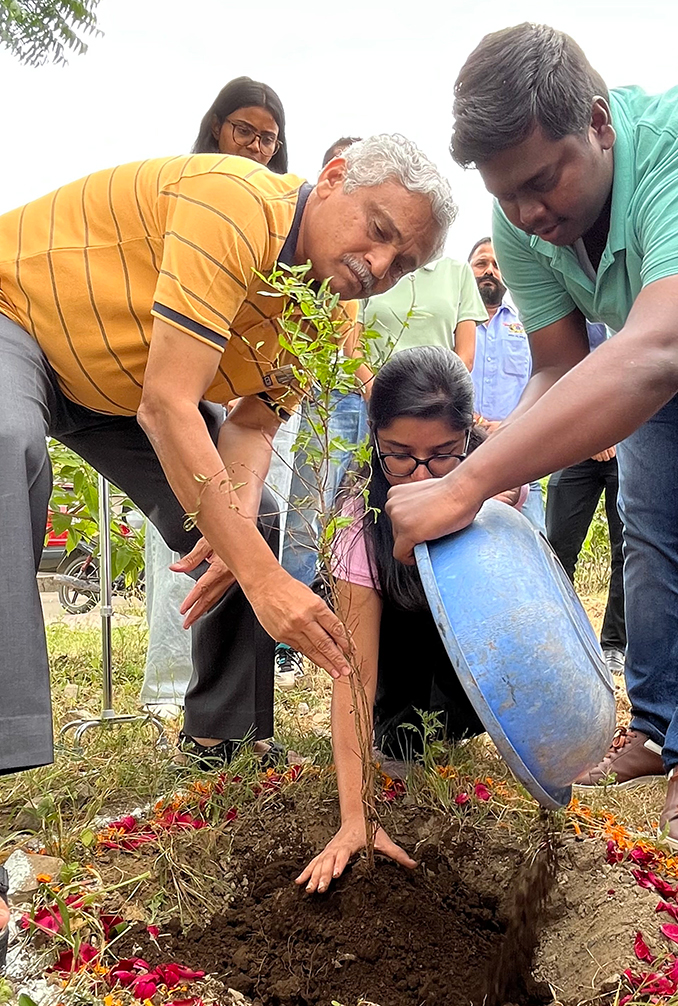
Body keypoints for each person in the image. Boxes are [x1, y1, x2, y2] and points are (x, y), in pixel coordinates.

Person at [386, 23, 678, 861]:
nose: (532, 213)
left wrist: (462, 486)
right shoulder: (524, 229)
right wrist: (503, 472)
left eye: (544, 180)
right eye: (508, 196)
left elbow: (659, 351)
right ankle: (653, 726)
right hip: (648, 354)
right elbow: (559, 368)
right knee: (647, 532)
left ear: (599, 124)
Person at [0, 135, 456, 775]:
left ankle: (225, 742)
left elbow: (252, 425)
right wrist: (265, 580)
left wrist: (236, 540)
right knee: (5, 447)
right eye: (378, 230)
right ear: (331, 179)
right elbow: (168, 406)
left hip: (114, 390)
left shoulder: (318, 312)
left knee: (254, 524)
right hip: (19, 315)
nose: (379, 264)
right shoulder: (235, 205)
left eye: (403, 264)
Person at [296, 346, 528, 894]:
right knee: (404, 743)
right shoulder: (360, 521)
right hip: (400, 690)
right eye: (398, 455)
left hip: (478, 679)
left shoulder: (500, 489)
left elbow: (529, 619)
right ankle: (405, 732)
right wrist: (356, 817)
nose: (420, 475)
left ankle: (465, 722)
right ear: (374, 441)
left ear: (468, 438)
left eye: (444, 454)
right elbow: (353, 672)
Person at [142, 77, 294, 718]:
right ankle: (168, 686)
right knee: (211, 526)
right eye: (245, 131)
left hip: (202, 397)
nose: (258, 147)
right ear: (215, 130)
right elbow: (165, 391)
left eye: (269, 137)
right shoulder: (194, 199)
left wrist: (235, 499)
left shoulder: (286, 247)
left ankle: (223, 729)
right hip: (141, 383)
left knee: (251, 514)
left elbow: (255, 417)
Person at [277, 136, 370, 689]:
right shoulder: (302, 251)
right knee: (305, 513)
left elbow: (353, 341)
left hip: (355, 398)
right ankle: (289, 641)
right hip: (316, 394)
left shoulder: (365, 273)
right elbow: (335, 346)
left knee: (348, 513)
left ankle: (337, 625)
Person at [544, 322, 627, 677]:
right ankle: (558, 636)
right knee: (557, 546)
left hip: (632, 440)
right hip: (577, 440)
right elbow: (561, 375)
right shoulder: (572, 310)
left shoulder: (637, 305)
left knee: (627, 549)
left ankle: (614, 646)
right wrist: (592, 433)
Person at [468, 235, 544, 531]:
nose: (490, 270)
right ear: (467, 271)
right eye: (481, 263)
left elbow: (541, 382)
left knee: (534, 537)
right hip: (462, 451)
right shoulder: (452, 322)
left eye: (498, 265)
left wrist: (510, 424)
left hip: (517, 451)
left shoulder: (528, 326)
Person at [363, 255, 487, 372]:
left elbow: (465, 359)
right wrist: (374, 390)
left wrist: (436, 391)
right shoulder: (372, 265)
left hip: (435, 387)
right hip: (370, 388)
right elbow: (352, 347)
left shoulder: (458, 271)